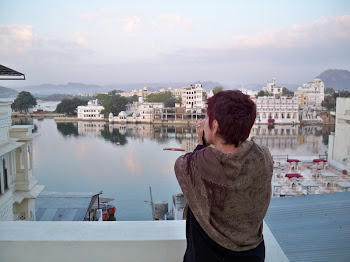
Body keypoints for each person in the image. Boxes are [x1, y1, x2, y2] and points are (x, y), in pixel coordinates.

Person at [174, 90, 273, 262]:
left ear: (216, 126)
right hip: (252, 255)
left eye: (206, 119)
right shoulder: (263, 157)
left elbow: (194, 169)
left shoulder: (188, 165)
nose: (203, 123)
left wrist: (201, 145)